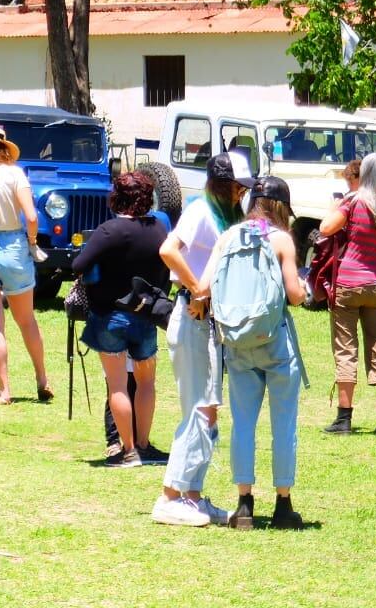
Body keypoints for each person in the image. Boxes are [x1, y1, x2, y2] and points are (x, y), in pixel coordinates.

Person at [195, 175, 308, 530]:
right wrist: (304, 286)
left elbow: (203, 286)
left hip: (237, 341)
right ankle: (283, 503)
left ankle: (244, 503)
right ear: (280, 208)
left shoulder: (228, 237)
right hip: (274, 340)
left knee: (242, 423)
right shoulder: (281, 241)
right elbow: (294, 295)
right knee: (283, 424)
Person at [151, 152, 252, 527]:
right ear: (224, 184)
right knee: (199, 408)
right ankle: (170, 496)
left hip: (210, 322)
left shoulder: (229, 214)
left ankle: (192, 496)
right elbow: (167, 250)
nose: (243, 192)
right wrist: (197, 290)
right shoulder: (199, 210)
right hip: (195, 316)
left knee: (207, 408)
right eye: (238, 186)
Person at [71, 173, 169, 466]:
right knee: (146, 383)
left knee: (117, 385)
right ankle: (144, 444)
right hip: (146, 314)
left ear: (117, 197)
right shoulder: (158, 229)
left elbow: (79, 264)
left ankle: (127, 449)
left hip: (110, 315)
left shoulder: (109, 230)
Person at [320, 152, 376, 436]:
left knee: (346, 349)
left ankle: (344, 418)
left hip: (349, 282)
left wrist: (335, 206)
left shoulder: (354, 202)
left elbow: (325, 228)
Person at [0, 125, 52, 405]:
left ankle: (4, 390)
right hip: (14, 247)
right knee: (27, 320)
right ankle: (42, 379)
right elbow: (31, 216)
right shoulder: (16, 174)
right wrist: (31, 241)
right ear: (5, 148)